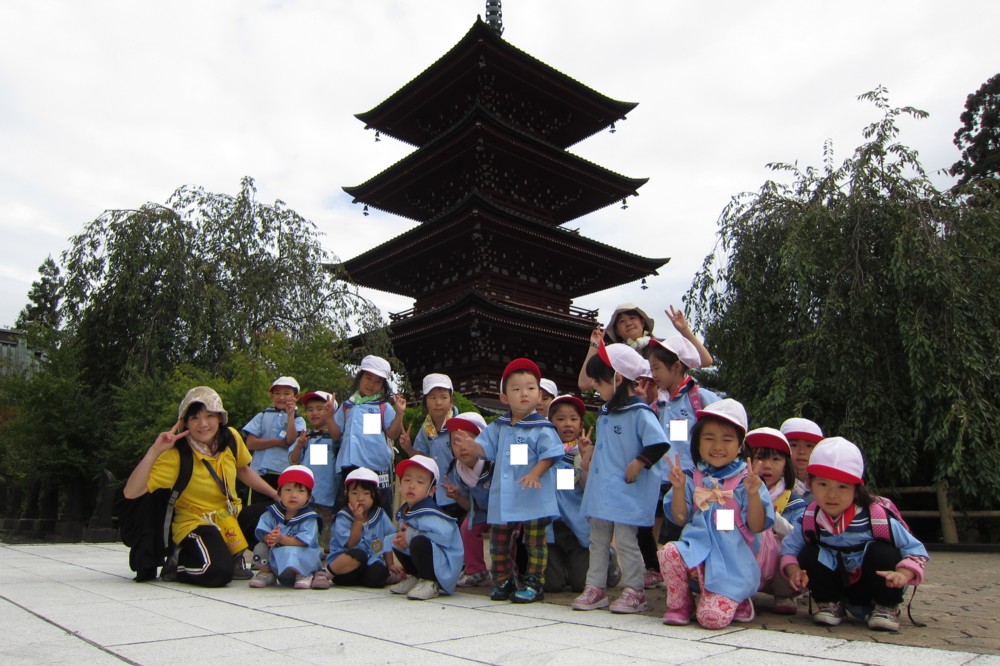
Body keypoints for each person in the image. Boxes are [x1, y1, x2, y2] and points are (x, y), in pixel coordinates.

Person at [123, 387, 278, 587]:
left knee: (280, 512)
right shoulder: (176, 454)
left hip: (230, 516)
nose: (203, 424)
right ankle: (179, 561)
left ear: (220, 418)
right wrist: (155, 451)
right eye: (194, 418)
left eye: (210, 416)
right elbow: (131, 492)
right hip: (197, 522)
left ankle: (282, 564)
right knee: (218, 572)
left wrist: (276, 495)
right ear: (185, 423)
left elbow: (243, 470)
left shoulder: (230, 438)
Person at [781, 437, 929, 631]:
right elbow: (789, 549)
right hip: (840, 586)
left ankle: (886, 607)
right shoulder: (810, 519)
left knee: (882, 552)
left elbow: (916, 551)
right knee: (809, 552)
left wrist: (903, 574)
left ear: (856, 491)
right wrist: (794, 572)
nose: (831, 495)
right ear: (810, 484)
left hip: (877, 584)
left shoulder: (877, 519)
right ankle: (829, 603)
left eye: (842, 486)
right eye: (823, 484)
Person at [659, 399, 774, 628]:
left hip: (732, 566)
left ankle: (739, 599)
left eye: (727, 439)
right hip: (697, 553)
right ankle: (681, 604)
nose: (717, 446)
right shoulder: (692, 476)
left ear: (740, 445)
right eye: (709, 438)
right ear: (698, 442)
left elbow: (756, 526)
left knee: (711, 619)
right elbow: (680, 518)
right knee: (669, 552)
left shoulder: (747, 480)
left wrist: (753, 495)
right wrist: (679, 488)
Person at [456, 358, 563, 603]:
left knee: (535, 542)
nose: (524, 393)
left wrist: (535, 473)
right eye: (516, 389)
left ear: (539, 395)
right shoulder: (499, 426)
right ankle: (503, 580)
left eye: (530, 388)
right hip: (505, 495)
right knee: (499, 540)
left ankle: (534, 583)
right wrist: (472, 447)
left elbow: (551, 454)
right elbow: (485, 448)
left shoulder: (542, 428)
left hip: (533, 494)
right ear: (504, 397)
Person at [571, 344, 669, 613]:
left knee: (626, 540)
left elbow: (659, 443)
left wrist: (639, 462)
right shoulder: (606, 412)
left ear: (618, 377)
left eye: (599, 381)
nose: (594, 386)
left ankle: (635, 590)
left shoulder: (639, 412)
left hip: (626, 491)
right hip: (603, 490)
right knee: (598, 540)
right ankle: (595, 587)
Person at [639, 334, 722, 588]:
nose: (653, 374)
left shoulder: (698, 397)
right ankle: (657, 569)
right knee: (649, 524)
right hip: (661, 475)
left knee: (684, 525)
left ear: (676, 367)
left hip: (690, 477)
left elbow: (725, 418)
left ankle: (689, 575)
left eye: (656, 368)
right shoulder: (659, 403)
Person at [324, 355, 406, 515]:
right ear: (359, 377)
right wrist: (329, 417)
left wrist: (399, 414)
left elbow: (392, 434)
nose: (371, 384)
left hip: (375, 467)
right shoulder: (347, 406)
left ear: (383, 385)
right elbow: (336, 435)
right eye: (368, 378)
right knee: (345, 513)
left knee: (378, 512)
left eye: (378, 381)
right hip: (350, 466)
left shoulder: (383, 406)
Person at [577, 304, 712, 393]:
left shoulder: (662, 347)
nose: (628, 323)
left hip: (666, 408)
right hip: (632, 413)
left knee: (678, 430)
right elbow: (584, 384)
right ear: (617, 331)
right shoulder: (615, 357)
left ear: (642, 322)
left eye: (632, 318)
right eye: (622, 321)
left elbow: (706, 361)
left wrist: (684, 330)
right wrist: (594, 345)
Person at [746, 427, 807, 614]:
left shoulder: (794, 502)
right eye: (759, 458)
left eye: (775, 459)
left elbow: (798, 537)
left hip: (777, 573)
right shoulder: (736, 494)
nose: (767, 465)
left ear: (786, 465)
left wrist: (772, 519)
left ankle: (784, 594)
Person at [388, 455, 464, 600]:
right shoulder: (410, 509)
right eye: (407, 480)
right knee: (396, 540)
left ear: (431, 491)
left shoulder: (431, 513)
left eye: (420, 482)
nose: (411, 485)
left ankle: (430, 582)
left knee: (418, 542)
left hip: (445, 565)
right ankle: (416, 576)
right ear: (400, 485)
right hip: (434, 558)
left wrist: (410, 535)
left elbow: (445, 536)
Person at [398, 373, 462, 519]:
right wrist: (408, 447)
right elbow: (422, 459)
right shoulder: (425, 429)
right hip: (432, 494)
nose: (438, 402)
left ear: (451, 400)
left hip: (455, 493)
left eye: (443, 397)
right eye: (432, 398)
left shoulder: (459, 425)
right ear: (426, 401)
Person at [440, 412, 493, 588]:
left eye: (468, 439)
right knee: (467, 528)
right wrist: (457, 497)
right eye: (456, 442)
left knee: (505, 533)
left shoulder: (493, 464)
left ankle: (508, 571)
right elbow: (471, 506)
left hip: (502, 510)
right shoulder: (459, 470)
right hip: (481, 511)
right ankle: (476, 572)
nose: (462, 447)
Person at [288, 390, 339, 569]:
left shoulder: (336, 438)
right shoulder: (306, 436)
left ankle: (324, 570)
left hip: (329, 497)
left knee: (327, 538)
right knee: (308, 535)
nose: (314, 413)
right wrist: (299, 445)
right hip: (308, 497)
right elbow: (294, 460)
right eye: (310, 409)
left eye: (320, 408)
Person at [249, 465, 323, 589]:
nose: (293, 495)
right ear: (279, 494)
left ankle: (304, 574)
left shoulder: (309, 518)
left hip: (299, 555)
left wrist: (282, 539)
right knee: (261, 547)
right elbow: (263, 531)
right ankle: (267, 573)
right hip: (276, 555)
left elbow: (304, 541)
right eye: (288, 490)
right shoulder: (271, 514)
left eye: (300, 491)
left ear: (308, 496)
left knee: (296, 551)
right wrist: (270, 538)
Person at [325, 467, 400, 588]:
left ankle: (374, 578)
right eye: (354, 493)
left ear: (374, 495)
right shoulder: (343, 516)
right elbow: (351, 544)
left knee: (379, 572)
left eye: (366, 493)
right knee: (359, 555)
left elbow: (388, 539)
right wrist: (358, 520)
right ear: (346, 494)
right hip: (345, 568)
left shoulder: (380, 514)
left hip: (370, 562)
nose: (360, 498)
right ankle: (325, 574)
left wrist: (390, 564)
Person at [243, 376, 307, 502]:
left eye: (286, 393)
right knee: (256, 510)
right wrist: (277, 442)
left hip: (284, 473)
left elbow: (290, 440)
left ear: (296, 397)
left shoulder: (298, 420)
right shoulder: (262, 415)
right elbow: (250, 443)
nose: (281, 397)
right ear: (271, 395)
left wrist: (290, 415)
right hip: (259, 473)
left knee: (281, 508)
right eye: (277, 393)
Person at [780, 417, 824, 500]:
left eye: (809, 446)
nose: (802, 451)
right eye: (794, 445)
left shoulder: (826, 485)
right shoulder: (772, 486)